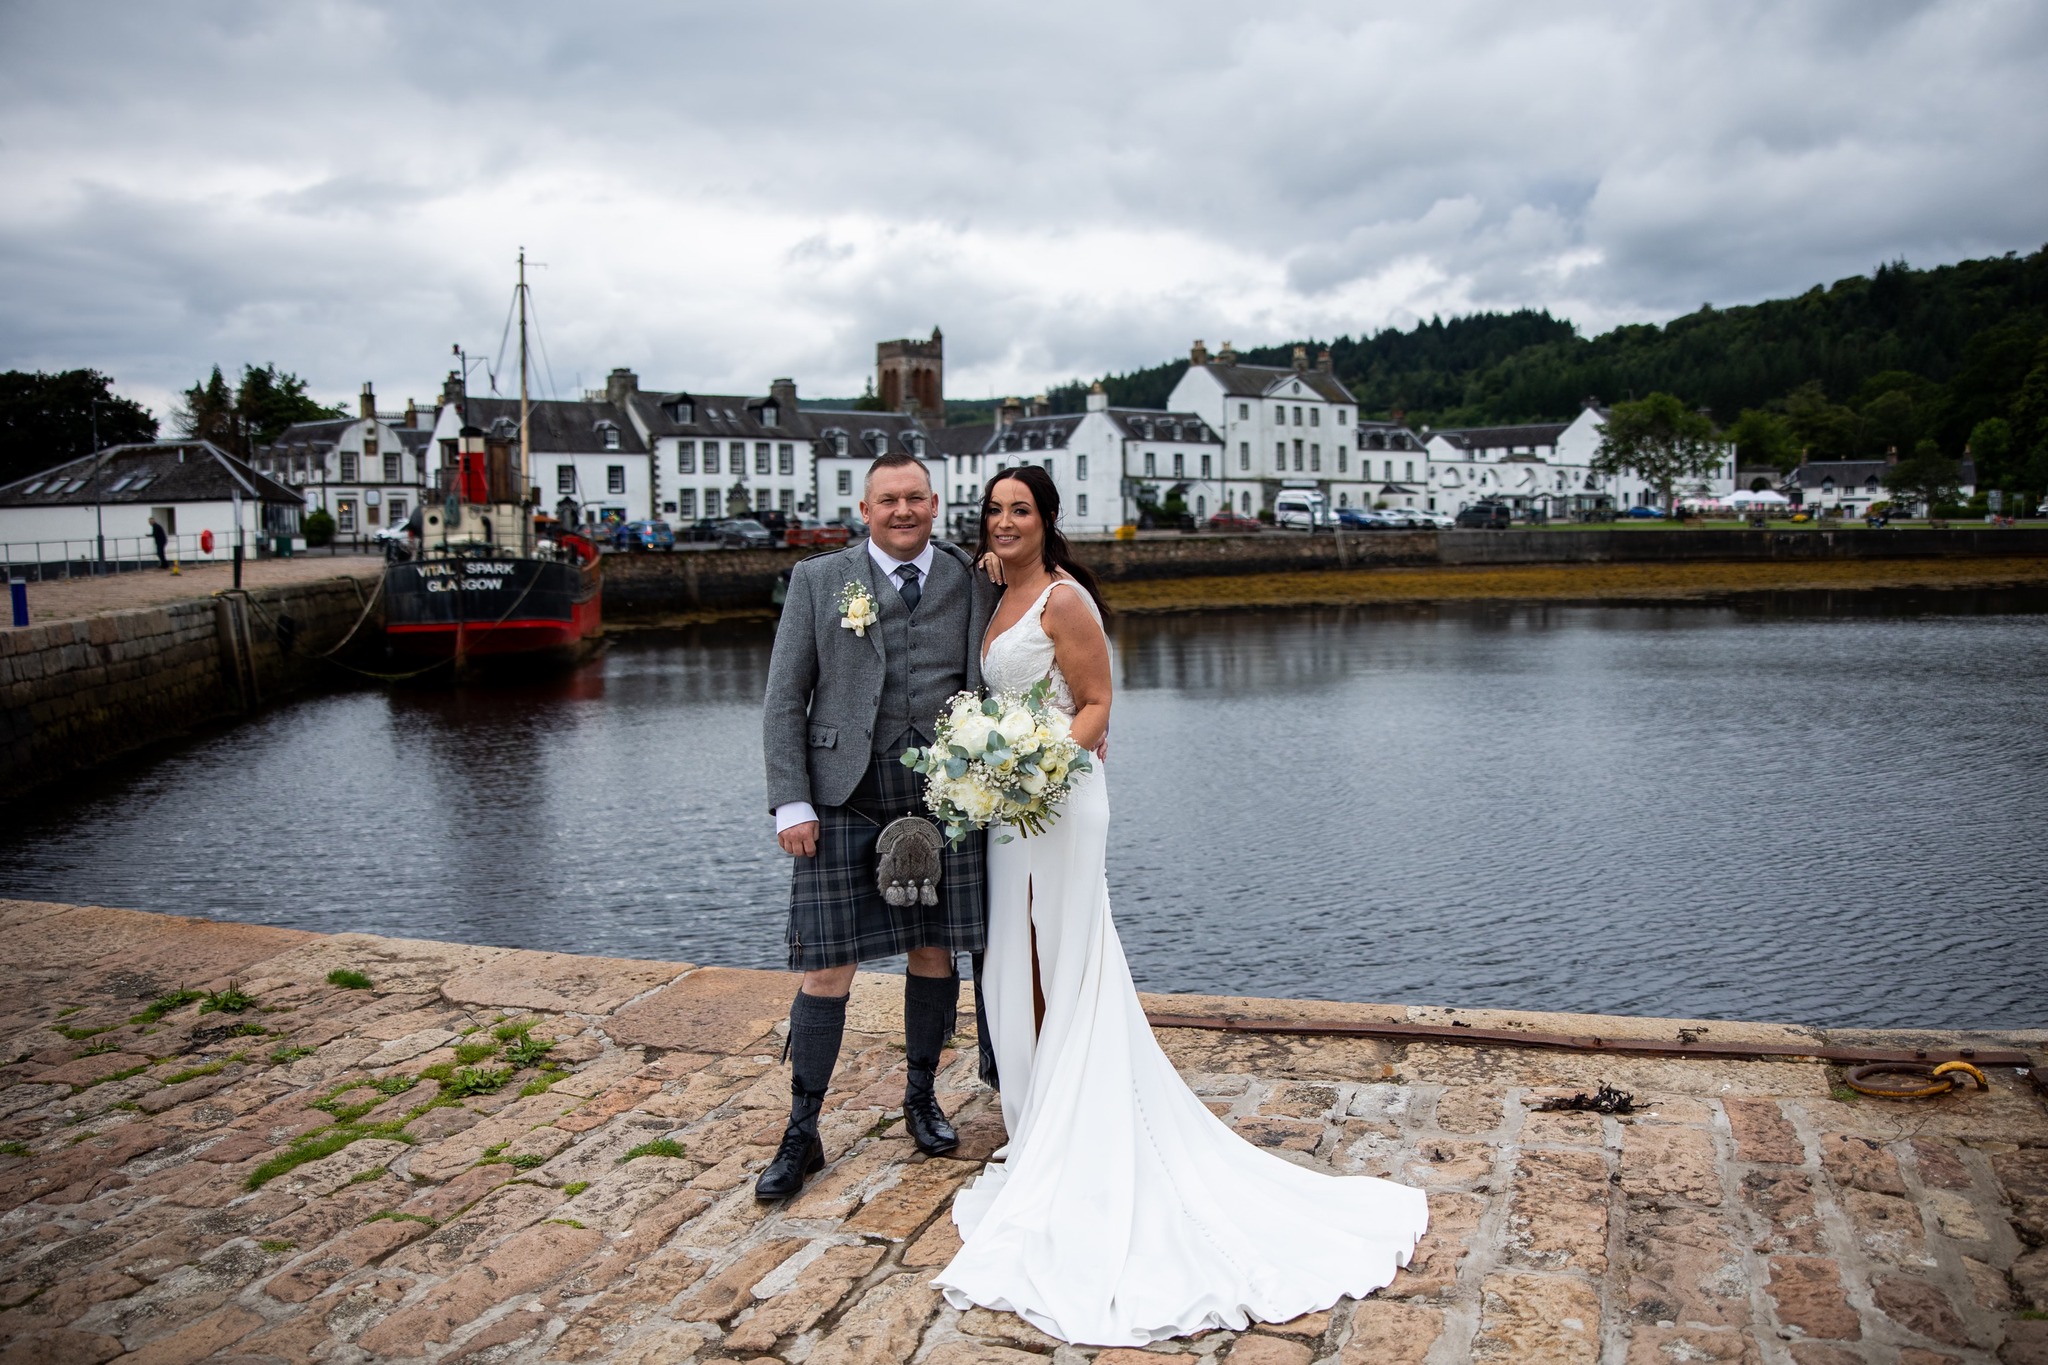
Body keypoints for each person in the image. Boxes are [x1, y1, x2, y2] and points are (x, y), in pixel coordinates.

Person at [934, 466, 1429, 1346]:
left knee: (1072, 954)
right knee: (1018, 958)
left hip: (1058, 801)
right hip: (1008, 813)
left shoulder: (1064, 599)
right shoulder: (994, 586)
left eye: (1021, 510)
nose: (1005, 521)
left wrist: (1036, 771)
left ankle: (1083, 1129)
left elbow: (1095, 705)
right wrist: (996, 779)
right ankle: (1043, 1119)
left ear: (1048, 520)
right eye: (996, 510)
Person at [759, 451, 1000, 1201]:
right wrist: (791, 801)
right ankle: (802, 1129)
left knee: (932, 950)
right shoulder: (818, 581)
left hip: (943, 788)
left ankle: (921, 1096)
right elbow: (782, 698)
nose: (902, 511)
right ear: (864, 510)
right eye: (887, 500)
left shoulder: (970, 577)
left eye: (915, 499)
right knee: (827, 963)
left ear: (936, 504)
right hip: (842, 793)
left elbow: (996, 671)